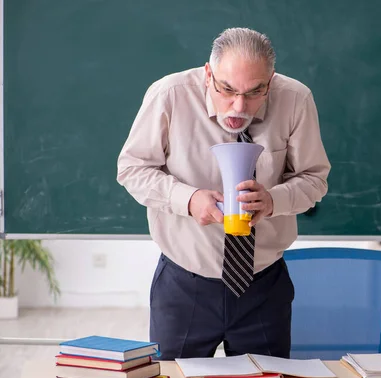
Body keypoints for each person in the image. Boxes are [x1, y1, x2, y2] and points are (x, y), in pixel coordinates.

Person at [116, 27, 330, 360]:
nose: (238, 106)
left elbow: (314, 178)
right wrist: (187, 199)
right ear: (207, 74)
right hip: (184, 284)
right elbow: (132, 169)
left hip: (263, 284)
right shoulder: (169, 95)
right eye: (226, 89)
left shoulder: (296, 100)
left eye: (254, 92)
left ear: (270, 82)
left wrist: (274, 200)